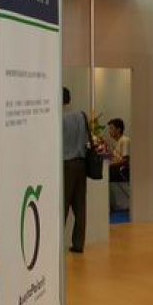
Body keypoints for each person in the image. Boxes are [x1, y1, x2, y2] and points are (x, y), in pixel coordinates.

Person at [63, 87, 89, 253]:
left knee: (63, 204)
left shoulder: (59, 117)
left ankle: (57, 243)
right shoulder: (81, 115)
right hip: (81, 164)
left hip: (66, 164)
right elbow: (86, 139)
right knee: (80, 207)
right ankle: (78, 243)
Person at [108, 118, 131, 212]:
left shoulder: (124, 141)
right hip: (117, 168)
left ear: (118, 130)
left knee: (106, 174)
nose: (109, 131)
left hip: (123, 170)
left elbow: (125, 160)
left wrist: (110, 165)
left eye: (111, 128)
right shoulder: (117, 142)